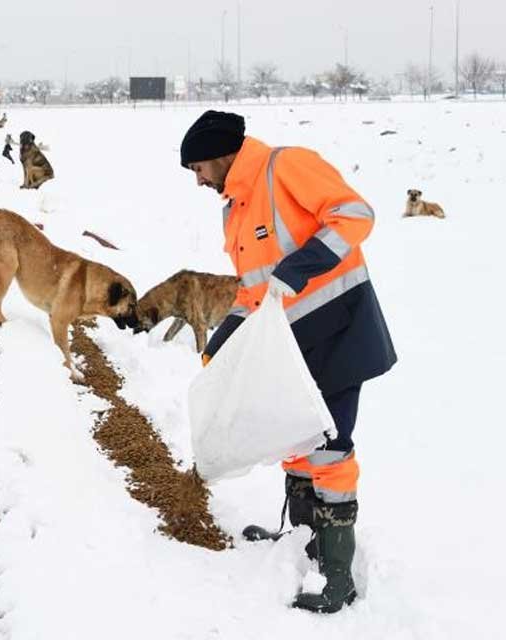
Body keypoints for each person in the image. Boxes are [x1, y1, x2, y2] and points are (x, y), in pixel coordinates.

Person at [180, 110, 396, 614]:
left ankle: (338, 574)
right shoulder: (235, 210)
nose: (198, 180)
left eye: (199, 168)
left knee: (330, 450)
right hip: (292, 346)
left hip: (340, 330)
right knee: (296, 442)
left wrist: (300, 267)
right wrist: (224, 339)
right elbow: (253, 290)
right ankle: (303, 539)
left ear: (222, 155)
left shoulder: (287, 167)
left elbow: (355, 215)